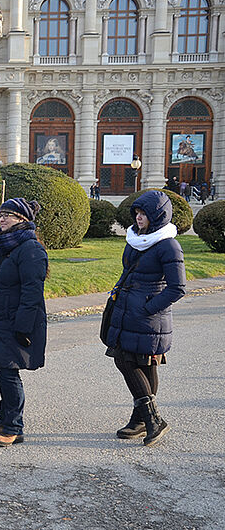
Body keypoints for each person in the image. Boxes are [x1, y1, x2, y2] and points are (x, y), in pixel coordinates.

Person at [104, 190, 185, 447]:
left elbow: (177, 287)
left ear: (158, 216)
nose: (139, 218)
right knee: (143, 363)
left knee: (126, 361)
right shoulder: (136, 239)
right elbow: (129, 271)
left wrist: (148, 308)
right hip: (127, 309)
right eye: (137, 213)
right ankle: (141, 420)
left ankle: (153, 420)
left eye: (144, 214)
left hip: (148, 315)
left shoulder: (168, 244)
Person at [0, 198, 47, 448]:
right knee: (3, 369)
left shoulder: (30, 249)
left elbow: (32, 292)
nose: (3, 219)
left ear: (23, 220)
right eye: (1, 214)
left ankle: (15, 427)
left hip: (15, 321)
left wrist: (23, 328)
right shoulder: (3, 246)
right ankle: (5, 420)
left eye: (9, 215)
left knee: (9, 371)